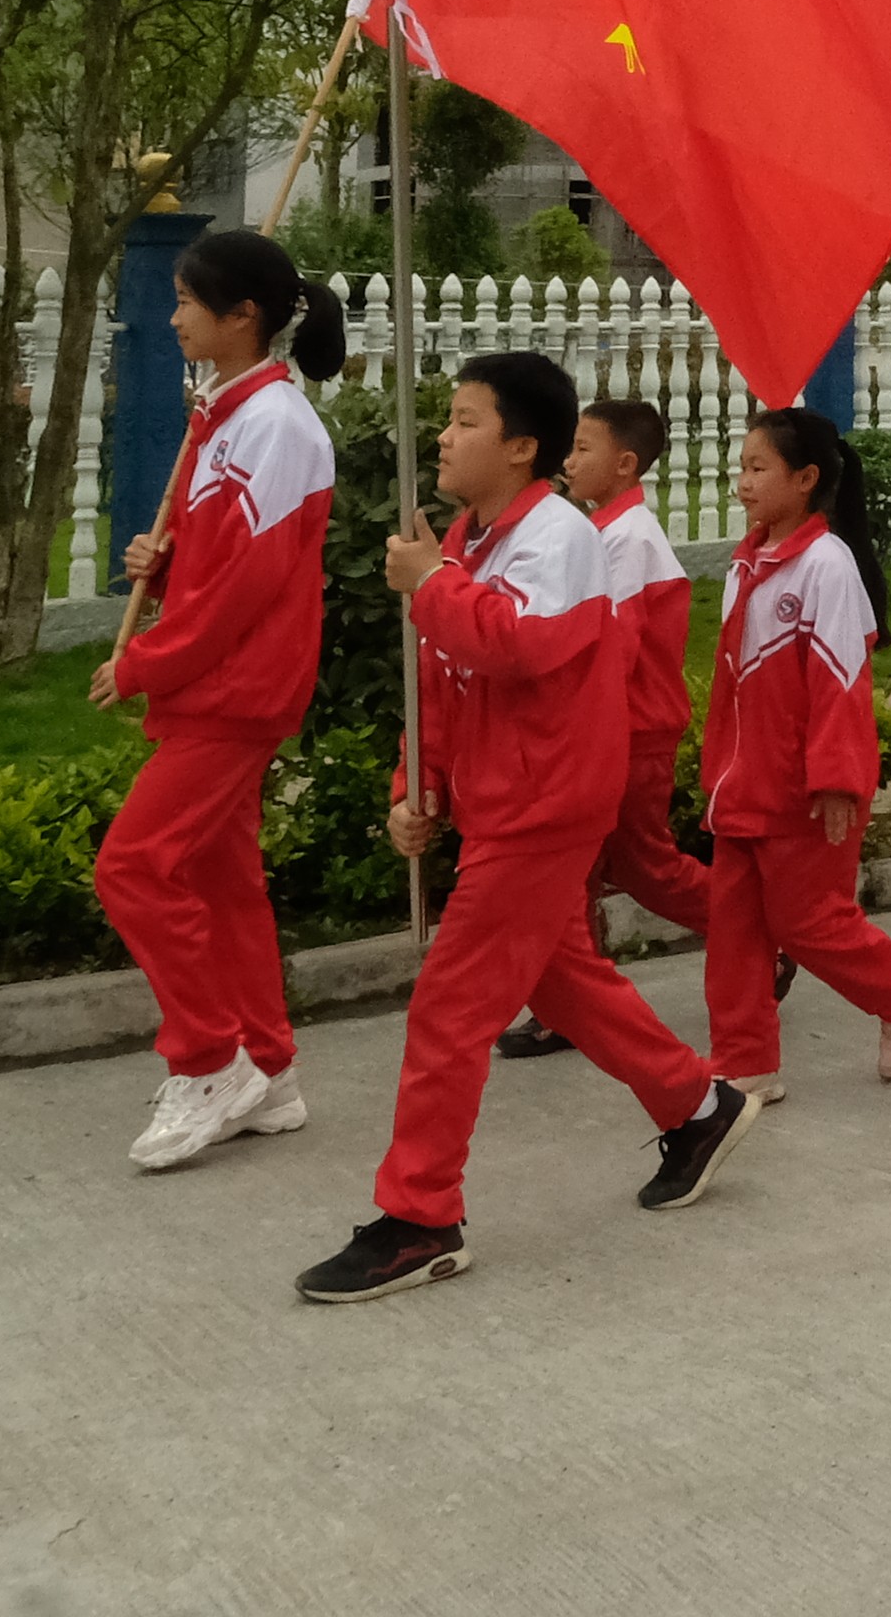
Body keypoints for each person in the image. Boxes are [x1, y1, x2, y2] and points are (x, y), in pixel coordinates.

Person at [301, 351, 744, 1304]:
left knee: (449, 1009)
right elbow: (440, 682)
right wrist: (415, 786)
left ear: (521, 446)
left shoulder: (559, 538)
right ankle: (698, 1104)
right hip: (499, 803)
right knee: (564, 979)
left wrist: (430, 584)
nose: (443, 437)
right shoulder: (467, 539)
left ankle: (420, 1216)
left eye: (466, 421)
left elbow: (514, 646)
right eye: (449, 418)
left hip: (544, 809)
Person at [93, 223, 345, 1172]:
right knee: (219, 878)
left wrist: (143, 662)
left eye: (188, 302)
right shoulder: (230, 414)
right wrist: (165, 563)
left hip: (236, 688)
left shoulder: (276, 425)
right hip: (224, 681)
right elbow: (221, 556)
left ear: (243, 316)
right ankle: (267, 1069)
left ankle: (208, 1059)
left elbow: (246, 587)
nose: (174, 318)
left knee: (133, 867)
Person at [694, 406, 891, 1101]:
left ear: (805, 479)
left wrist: (835, 779)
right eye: (741, 467)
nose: (743, 482)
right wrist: (718, 773)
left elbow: (841, 683)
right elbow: (731, 689)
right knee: (734, 928)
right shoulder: (747, 563)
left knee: (808, 921)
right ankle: (744, 1058)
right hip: (743, 786)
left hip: (802, 788)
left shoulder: (826, 565)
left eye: (758, 468)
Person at [497, 394, 712, 1065]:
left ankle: (758, 930)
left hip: (632, 734)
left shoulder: (626, 539)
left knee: (646, 868)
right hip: (612, 731)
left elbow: (611, 652)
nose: (568, 460)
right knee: (582, 872)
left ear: (624, 464)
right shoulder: (607, 531)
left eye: (582, 449)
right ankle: (567, 1005)